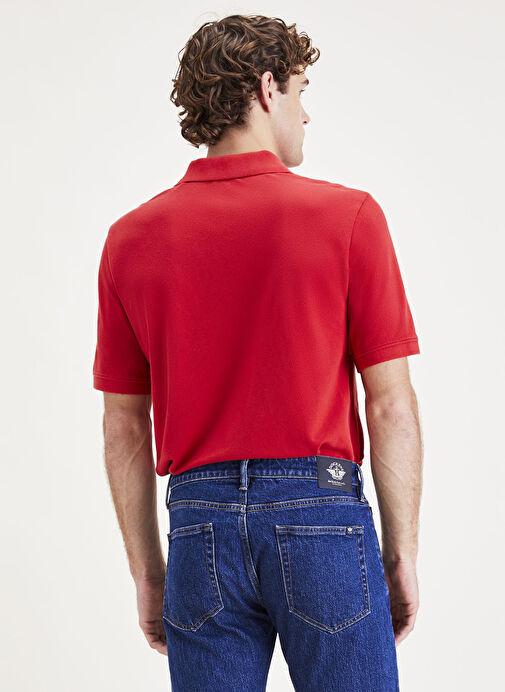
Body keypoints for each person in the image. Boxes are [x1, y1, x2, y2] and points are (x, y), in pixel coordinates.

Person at [92, 14, 423, 692]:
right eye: (301, 91)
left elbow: (123, 423)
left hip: (198, 525)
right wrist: (401, 553)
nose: (306, 113)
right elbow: (389, 404)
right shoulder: (349, 218)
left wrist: (148, 573)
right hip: (321, 518)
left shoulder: (130, 239)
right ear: (268, 88)